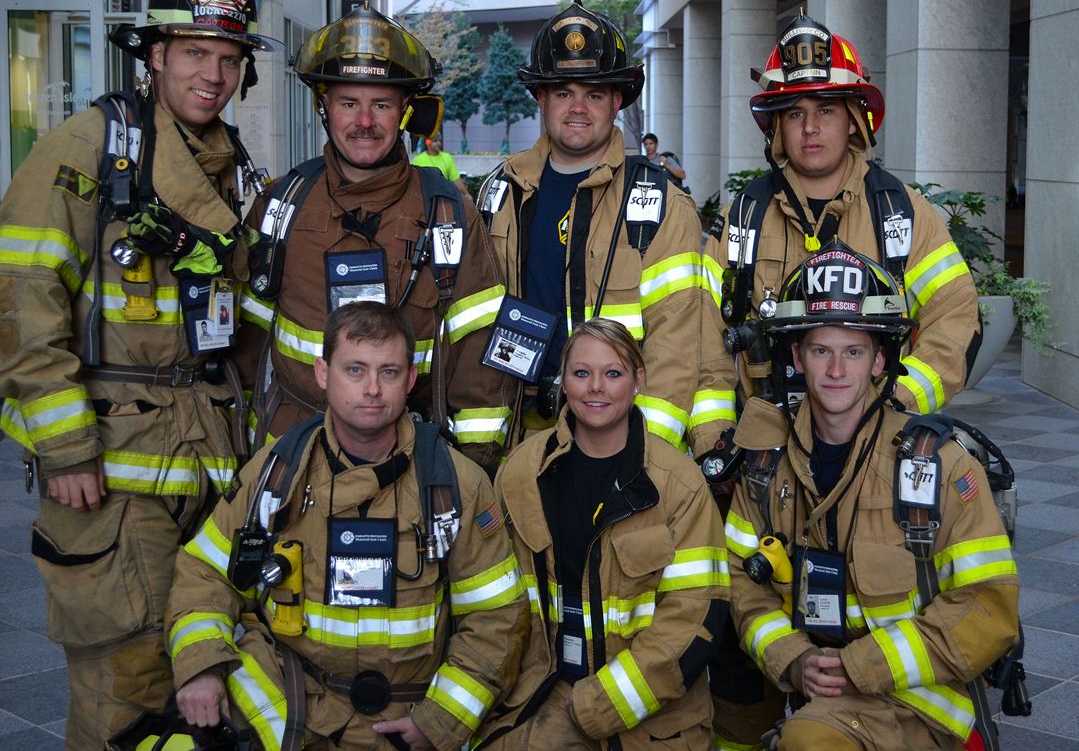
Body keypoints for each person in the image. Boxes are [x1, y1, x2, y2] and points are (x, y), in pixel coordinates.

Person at [0, 0, 279, 748]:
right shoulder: (89, 145)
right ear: (154, 56)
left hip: (209, 458)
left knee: (208, 670)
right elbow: (13, 299)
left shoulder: (235, 168)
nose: (211, 73)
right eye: (194, 53)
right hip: (111, 473)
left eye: (227, 56)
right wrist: (67, 446)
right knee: (126, 683)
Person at [698, 15, 982, 750]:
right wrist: (715, 444)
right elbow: (703, 341)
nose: (811, 128)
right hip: (763, 466)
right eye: (794, 113)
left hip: (877, 461)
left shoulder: (903, 219)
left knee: (875, 593)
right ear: (774, 129)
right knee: (741, 641)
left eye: (826, 109)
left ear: (857, 120)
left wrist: (890, 409)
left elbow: (953, 321)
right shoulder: (742, 222)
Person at [168, 302, 528, 750]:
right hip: (292, 708)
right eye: (355, 370)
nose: (372, 389)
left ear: (411, 379)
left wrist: (440, 722)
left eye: (389, 372)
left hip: (405, 720)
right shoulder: (278, 471)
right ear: (323, 373)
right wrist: (202, 666)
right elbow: (205, 572)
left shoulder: (455, 485)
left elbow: (497, 618)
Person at [724, 241, 1019, 750]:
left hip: (922, 704)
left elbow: (989, 608)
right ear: (797, 356)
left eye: (854, 351)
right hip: (825, 697)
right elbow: (739, 581)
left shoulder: (936, 467)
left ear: (881, 361)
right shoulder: (766, 467)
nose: (837, 371)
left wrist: (859, 665)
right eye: (821, 350)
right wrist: (793, 657)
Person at [237, 4, 516, 470]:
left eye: (381, 105)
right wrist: (252, 460)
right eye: (349, 103)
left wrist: (473, 468)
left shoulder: (448, 214)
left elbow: (479, 354)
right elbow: (244, 348)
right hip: (292, 455)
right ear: (322, 106)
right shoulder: (281, 207)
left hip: (411, 460)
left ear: (406, 112)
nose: (364, 122)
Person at [476, 318, 730, 750]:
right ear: (564, 380)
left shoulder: (679, 485)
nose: (596, 387)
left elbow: (695, 617)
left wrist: (597, 704)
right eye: (581, 373)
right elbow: (494, 602)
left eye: (613, 373)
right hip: (544, 695)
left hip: (651, 719)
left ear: (638, 381)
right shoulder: (520, 472)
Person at [478, 0, 704, 454]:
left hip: (621, 434)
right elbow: (474, 326)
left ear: (617, 101)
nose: (578, 108)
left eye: (594, 94)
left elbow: (676, 344)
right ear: (540, 98)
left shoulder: (660, 204)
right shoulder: (500, 193)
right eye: (563, 92)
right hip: (523, 434)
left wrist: (642, 454)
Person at [414, 132, 469, 197]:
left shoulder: (447, 157)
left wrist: (467, 194)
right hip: (425, 197)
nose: (439, 143)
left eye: (440, 141)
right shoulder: (418, 160)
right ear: (428, 142)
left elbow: (456, 179)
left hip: (444, 196)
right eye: (435, 141)